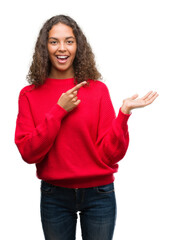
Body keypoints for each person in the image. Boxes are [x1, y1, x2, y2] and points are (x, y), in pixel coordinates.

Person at [14, 15, 158, 240]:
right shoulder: (29, 95)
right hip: (54, 195)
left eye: (69, 41)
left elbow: (110, 155)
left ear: (78, 46)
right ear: (45, 47)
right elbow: (28, 152)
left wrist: (124, 114)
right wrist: (59, 110)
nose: (62, 48)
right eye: (54, 41)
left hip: (99, 195)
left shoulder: (98, 90)